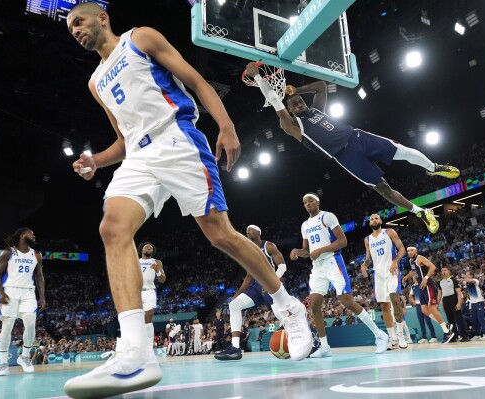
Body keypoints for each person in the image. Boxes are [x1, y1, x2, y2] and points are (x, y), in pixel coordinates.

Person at [64, 4, 312, 397]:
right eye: (69, 27)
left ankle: (287, 306)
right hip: (140, 157)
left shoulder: (140, 37)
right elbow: (124, 141)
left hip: (176, 137)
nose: (74, 29)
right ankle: (135, 351)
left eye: (78, 20)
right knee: (112, 227)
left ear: (102, 18)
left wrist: (226, 125)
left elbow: (197, 81)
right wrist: (96, 160)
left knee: (221, 235)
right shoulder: (95, 82)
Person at [245, 63, 461, 234]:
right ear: (290, 110)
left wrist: (296, 89)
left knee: (402, 150)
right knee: (382, 188)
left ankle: (433, 167)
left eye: (301, 102)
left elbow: (320, 85)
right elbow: (274, 99)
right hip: (345, 157)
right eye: (295, 105)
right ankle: (420, 212)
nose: (300, 105)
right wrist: (257, 76)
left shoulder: (317, 110)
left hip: (358, 136)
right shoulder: (293, 126)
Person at [291, 193, 389, 358]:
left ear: (318, 202)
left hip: (333, 262)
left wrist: (320, 250)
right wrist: (297, 252)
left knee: (347, 301)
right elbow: (307, 252)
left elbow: (342, 241)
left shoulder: (327, 216)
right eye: (305, 202)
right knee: (314, 304)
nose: (307, 204)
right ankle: (325, 347)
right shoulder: (305, 225)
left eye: (310, 201)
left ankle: (380, 334)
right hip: (317, 267)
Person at [215, 225, 287, 361]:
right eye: (247, 230)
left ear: (259, 232)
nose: (248, 232)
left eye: (251, 230)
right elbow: (249, 276)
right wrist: (237, 293)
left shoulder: (268, 246)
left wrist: (272, 281)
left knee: (279, 310)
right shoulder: (247, 251)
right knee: (234, 305)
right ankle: (235, 348)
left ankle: (296, 337)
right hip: (256, 287)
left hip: (271, 283)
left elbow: (282, 266)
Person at [0, 227, 46, 376]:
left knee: (30, 323)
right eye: (31, 233)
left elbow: (40, 277)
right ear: (23, 235)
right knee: (7, 326)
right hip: (10, 291)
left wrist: (42, 297)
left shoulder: (36, 255)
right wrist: (1, 292)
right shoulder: (8, 252)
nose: (34, 235)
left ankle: (24, 357)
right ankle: (3, 363)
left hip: (28, 292)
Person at [362, 214, 408, 349]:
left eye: (376, 218)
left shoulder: (389, 232)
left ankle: (401, 335)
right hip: (379, 275)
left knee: (395, 300)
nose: (374, 220)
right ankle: (392, 338)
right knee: (384, 306)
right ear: (369, 223)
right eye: (372, 219)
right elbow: (369, 258)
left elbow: (402, 249)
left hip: (391, 272)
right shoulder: (367, 239)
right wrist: (364, 265)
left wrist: (395, 262)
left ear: (381, 221)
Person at [404, 247, 454, 344]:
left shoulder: (420, 258)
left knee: (432, 308)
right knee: (424, 310)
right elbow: (413, 271)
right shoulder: (411, 261)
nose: (410, 252)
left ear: (416, 250)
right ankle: (445, 325)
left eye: (411, 250)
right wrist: (407, 276)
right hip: (421, 287)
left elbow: (433, 267)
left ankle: (446, 331)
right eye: (408, 251)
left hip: (428, 286)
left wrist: (426, 278)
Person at [138, 242, 166, 347]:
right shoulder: (136, 261)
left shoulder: (156, 262)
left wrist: (157, 270)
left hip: (150, 291)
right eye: (147, 247)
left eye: (151, 248)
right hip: (137, 291)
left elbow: (162, 279)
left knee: (148, 317)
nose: (149, 248)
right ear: (142, 250)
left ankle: (149, 346)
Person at [438, 267, 469, 342]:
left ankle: (464, 336)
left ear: (449, 271)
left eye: (445, 270)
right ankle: (453, 337)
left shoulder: (453, 280)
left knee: (459, 319)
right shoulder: (440, 282)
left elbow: (459, 293)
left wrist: (459, 303)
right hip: (445, 300)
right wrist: (438, 304)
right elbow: (439, 294)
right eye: (442, 271)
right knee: (450, 320)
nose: (443, 272)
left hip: (453, 299)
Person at [457, 271, 485, 341]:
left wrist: (462, 279)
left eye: (467, 275)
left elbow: (470, 281)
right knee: (474, 320)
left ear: (471, 276)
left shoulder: (475, 280)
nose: (466, 276)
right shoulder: (466, 282)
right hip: (473, 303)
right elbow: (460, 283)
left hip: (479, 302)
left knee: (481, 318)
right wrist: (458, 281)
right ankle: (477, 335)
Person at [407, 279, 437, 343]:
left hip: (425, 304)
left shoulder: (423, 283)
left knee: (428, 321)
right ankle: (424, 337)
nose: (415, 278)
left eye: (416, 277)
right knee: (421, 322)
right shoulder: (413, 286)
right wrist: (412, 301)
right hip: (418, 306)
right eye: (414, 277)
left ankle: (434, 337)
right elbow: (410, 295)